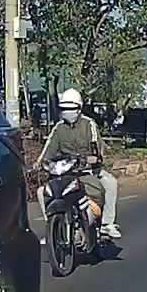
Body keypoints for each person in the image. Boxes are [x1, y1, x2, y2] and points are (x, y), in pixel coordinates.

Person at [38, 88, 122, 239]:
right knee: (41, 192)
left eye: (71, 108)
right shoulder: (58, 128)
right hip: (64, 172)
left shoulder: (89, 124)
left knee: (110, 183)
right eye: (64, 108)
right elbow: (47, 151)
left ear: (79, 109)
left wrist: (93, 158)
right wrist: (39, 164)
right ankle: (53, 230)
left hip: (87, 171)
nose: (68, 112)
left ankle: (107, 224)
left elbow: (97, 148)